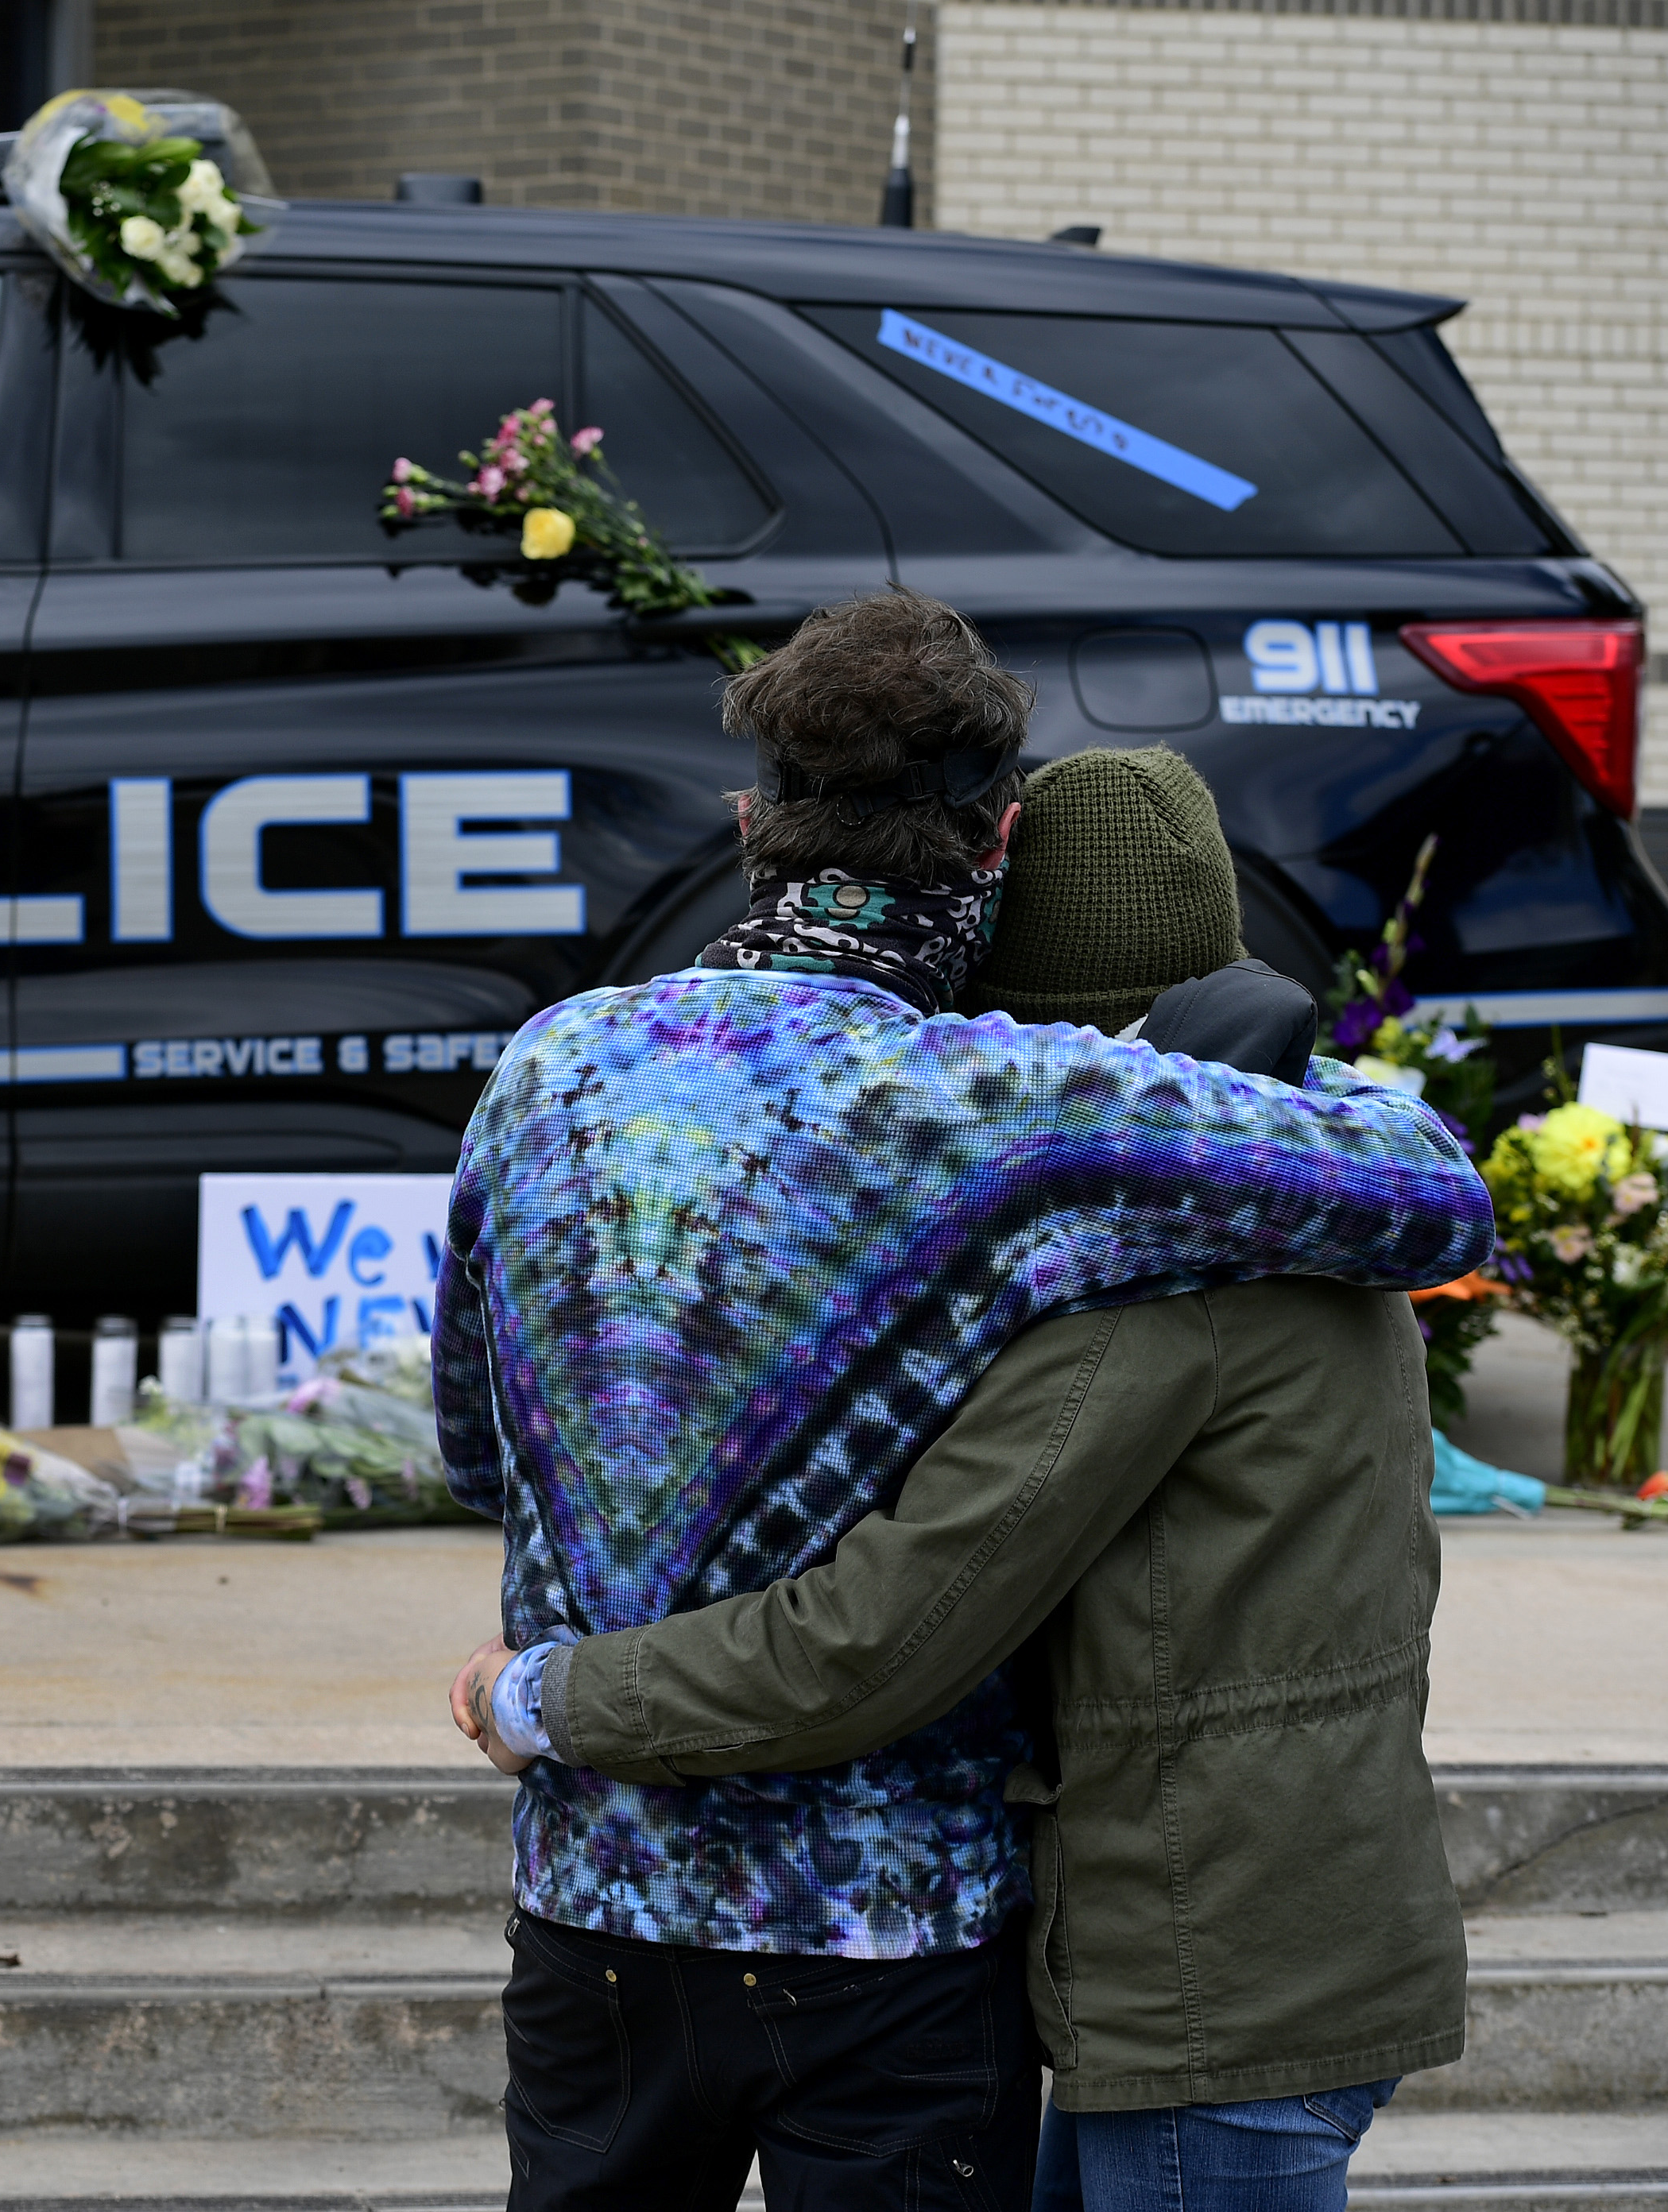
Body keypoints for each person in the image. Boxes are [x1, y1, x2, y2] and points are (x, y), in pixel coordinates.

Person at [429, 592, 1492, 2212]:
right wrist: (1229, 1056)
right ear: (1001, 838)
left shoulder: (544, 1065)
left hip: (595, 1903)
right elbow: (1437, 1196)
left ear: (747, 822)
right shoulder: (1005, 1104)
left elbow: (468, 1447)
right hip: (891, 1927)